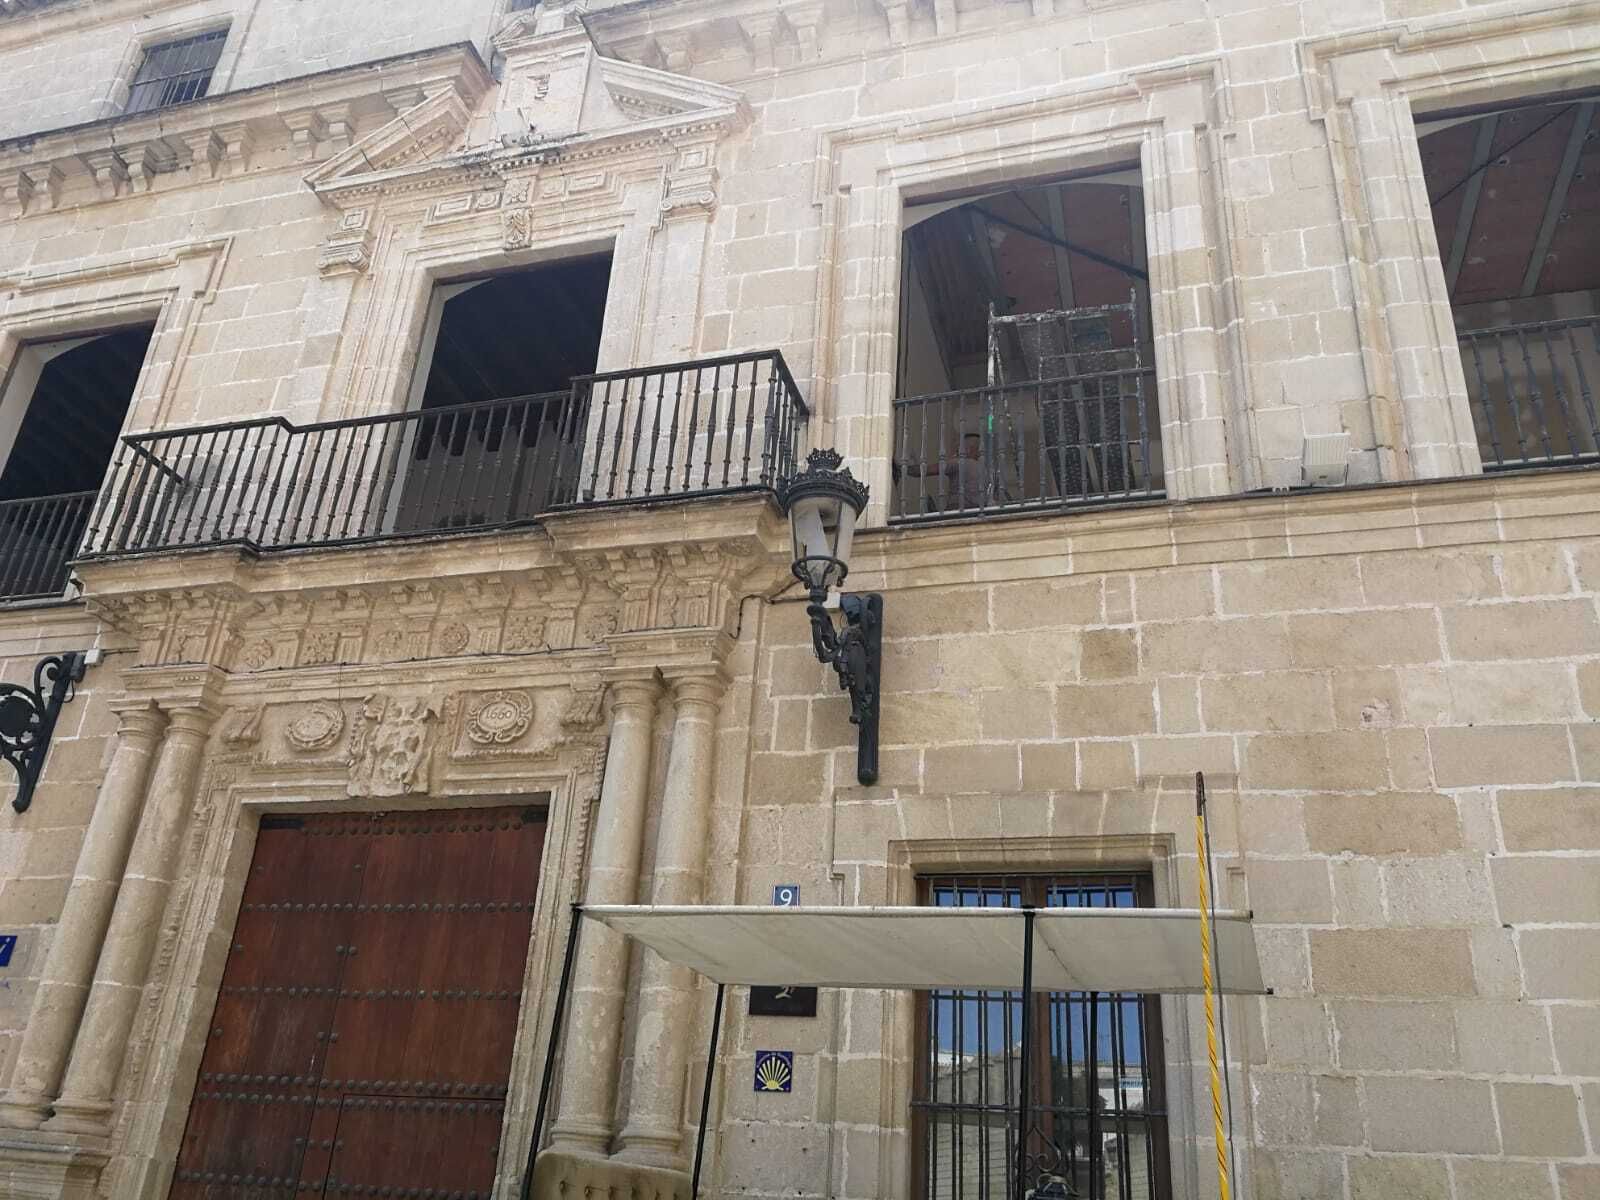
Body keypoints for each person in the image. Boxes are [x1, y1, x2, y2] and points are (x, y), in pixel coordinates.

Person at [900, 432, 992, 511]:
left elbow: (926, 470)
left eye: (959, 447)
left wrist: (903, 469)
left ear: (967, 449)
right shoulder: (984, 470)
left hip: (956, 511)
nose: (957, 451)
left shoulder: (960, 462)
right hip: (976, 513)